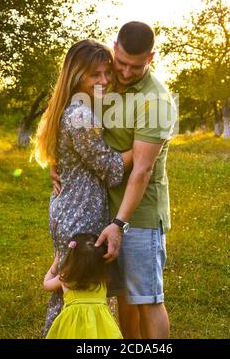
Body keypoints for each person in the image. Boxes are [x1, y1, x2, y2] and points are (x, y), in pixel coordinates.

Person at [51, 22, 175, 339]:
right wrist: (58, 162)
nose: (126, 72)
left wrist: (120, 224)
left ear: (151, 59)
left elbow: (142, 170)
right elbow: (78, 127)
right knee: (122, 297)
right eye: (120, 63)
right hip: (103, 208)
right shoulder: (107, 82)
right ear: (114, 49)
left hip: (139, 214)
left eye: (136, 67)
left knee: (146, 297)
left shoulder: (156, 100)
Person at [35, 39, 132, 335]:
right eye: (94, 75)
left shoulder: (75, 106)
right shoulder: (79, 115)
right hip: (80, 214)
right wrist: (143, 150)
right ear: (77, 75)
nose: (103, 80)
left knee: (71, 291)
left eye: (106, 73)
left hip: (70, 209)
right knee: (78, 294)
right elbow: (112, 169)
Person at [44, 233, 123, 339]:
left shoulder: (66, 277)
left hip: (72, 325)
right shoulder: (102, 280)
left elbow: (46, 284)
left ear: (72, 257)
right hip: (101, 325)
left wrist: (55, 265)